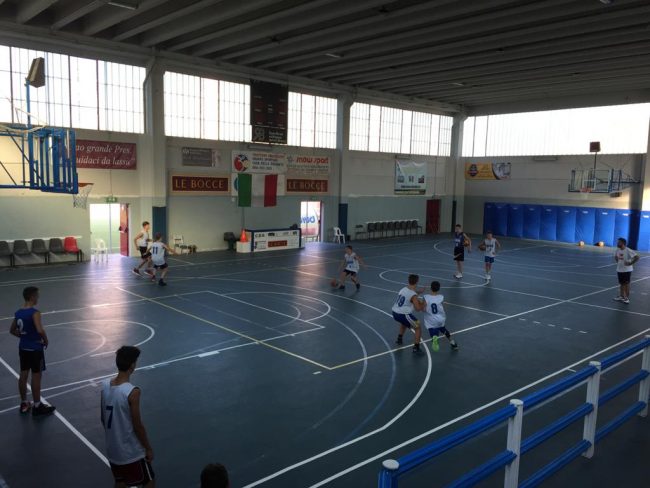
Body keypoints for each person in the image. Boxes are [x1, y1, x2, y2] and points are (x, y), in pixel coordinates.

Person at [101, 346, 155, 488]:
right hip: (130, 452)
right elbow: (137, 426)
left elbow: (103, 418)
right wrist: (148, 448)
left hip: (112, 450)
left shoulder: (105, 385)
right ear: (132, 365)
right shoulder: (132, 392)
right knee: (149, 480)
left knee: (120, 481)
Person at [9, 286, 56, 416]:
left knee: (23, 375)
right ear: (32, 297)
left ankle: (24, 403)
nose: (38, 298)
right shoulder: (35, 312)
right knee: (36, 376)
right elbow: (40, 330)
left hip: (23, 348)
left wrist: (24, 337)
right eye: (37, 296)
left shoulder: (18, 313)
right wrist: (45, 340)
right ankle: (37, 406)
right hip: (35, 349)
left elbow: (12, 330)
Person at [392, 274, 426, 353]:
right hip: (403, 314)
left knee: (404, 323)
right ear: (417, 282)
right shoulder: (413, 295)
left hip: (395, 312)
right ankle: (416, 348)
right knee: (418, 327)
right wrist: (423, 303)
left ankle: (399, 339)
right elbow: (417, 309)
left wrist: (419, 292)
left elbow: (411, 293)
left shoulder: (403, 289)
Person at [423, 281, 459, 352]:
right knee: (443, 329)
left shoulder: (426, 297)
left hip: (431, 319)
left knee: (430, 327)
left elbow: (423, 309)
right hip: (440, 319)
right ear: (439, 289)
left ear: (430, 288)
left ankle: (434, 337)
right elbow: (442, 306)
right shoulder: (441, 297)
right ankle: (453, 343)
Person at [613, 237, 639, 304]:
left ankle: (627, 298)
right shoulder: (617, 250)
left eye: (619, 242)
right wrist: (618, 262)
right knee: (621, 284)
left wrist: (630, 263)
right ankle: (621, 296)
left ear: (623, 243)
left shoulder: (628, 250)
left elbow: (637, 257)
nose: (617, 243)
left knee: (626, 284)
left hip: (627, 270)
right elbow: (616, 257)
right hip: (619, 270)